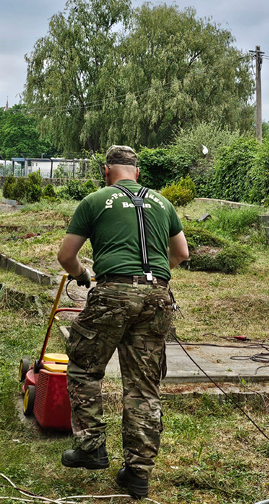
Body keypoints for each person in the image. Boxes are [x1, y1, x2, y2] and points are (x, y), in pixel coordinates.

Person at [57, 145, 189, 500]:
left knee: (85, 368)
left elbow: (66, 255)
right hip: (158, 297)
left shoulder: (95, 200)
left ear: (106, 171)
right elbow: (181, 254)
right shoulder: (164, 203)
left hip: (112, 292)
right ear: (138, 172)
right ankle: (138, 474)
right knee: (144, 387)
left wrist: (82, 274)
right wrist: (152, 284)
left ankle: (91, 447)